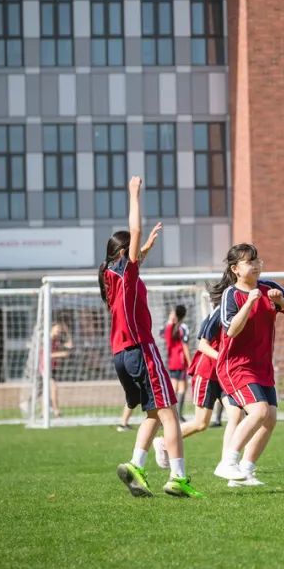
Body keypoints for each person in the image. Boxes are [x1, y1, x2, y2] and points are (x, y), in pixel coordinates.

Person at [99, 176, 201, 498]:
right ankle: (178, 477)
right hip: (142, 350)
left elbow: (134, 255)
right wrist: (133, 194)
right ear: (123, 252)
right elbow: (136, 234)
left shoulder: (109, 275)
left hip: (121, 355)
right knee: (169, 411)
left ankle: (135, 465)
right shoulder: (125, 271)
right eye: (131, 250)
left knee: (154, 413)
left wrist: (144, 249)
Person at [211, 243, 284, 485]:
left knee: (270, 418)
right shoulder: (231, 294)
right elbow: (231, 331)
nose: (256, 265)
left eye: (257, 260)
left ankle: (245, 471)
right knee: (259, 411)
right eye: (249, 262)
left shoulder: (270, 287)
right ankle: (227, 463)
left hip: (263, 366)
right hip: (236, 366)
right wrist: (249, 303)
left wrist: (281, 300)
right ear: (235, 269)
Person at [154, 300, 269, 488]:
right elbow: (202, 345)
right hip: (206, 373)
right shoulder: (219, 312)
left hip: (226, 375)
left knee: (237, 415)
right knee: (201, 423)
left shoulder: (243, 311)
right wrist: (223, 359)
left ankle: (229, 466)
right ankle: (163, 441)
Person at [161, 305, 191, 421]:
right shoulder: (182, 327)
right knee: (182, 388)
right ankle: (176, 415)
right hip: (180, 361)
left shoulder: (169, 327)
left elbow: (164, 335)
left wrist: (170, 321)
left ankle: (172, 414)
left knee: (174, 387)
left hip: (172, 361)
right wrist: (190, 362)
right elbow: (185, 346)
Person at [45, 321, 73, 418]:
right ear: (51, 329)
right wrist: (61, 354)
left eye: (60, 331)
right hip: (44, 368)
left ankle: (44, 410)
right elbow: (46, 355)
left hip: (52, 368)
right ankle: (56, 411)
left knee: (43, 391)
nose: (58, 332)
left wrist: (67, 332)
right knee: (53, 389)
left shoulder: (56, 340)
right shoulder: (46, 340)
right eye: (57, 330)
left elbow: (70, 345)